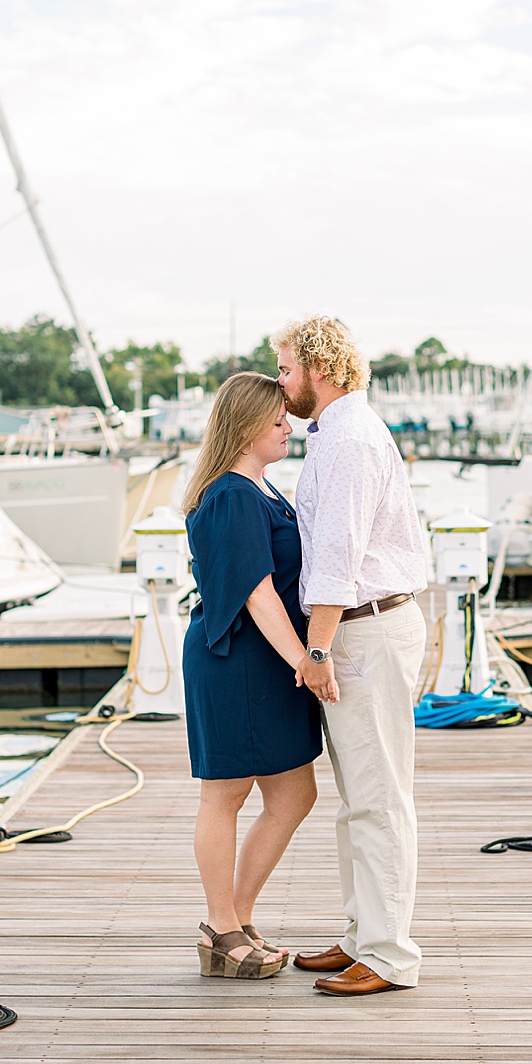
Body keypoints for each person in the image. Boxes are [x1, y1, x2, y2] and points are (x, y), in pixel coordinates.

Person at [273, 315, 431, 997]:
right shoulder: (337, 435)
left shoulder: (349, 441)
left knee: (379, 796)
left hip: (363, 628)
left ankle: (390, 954)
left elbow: (338, 557)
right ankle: (362, 932)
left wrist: (316, 647)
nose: (280, 383)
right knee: (357, 797)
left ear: (319, 367)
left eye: (284, 368)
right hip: (361, 626)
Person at [181, 372, 325, 980]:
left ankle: (233, 918)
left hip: (265, 658)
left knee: (294, 793)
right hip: (237, 658)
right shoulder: (233, 494)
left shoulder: (262, 490)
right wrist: (307, 660)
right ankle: (222, 927)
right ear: (245, 428)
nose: (287, 428)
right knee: (226, 793)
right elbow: (258, 594)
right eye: (276, 422)